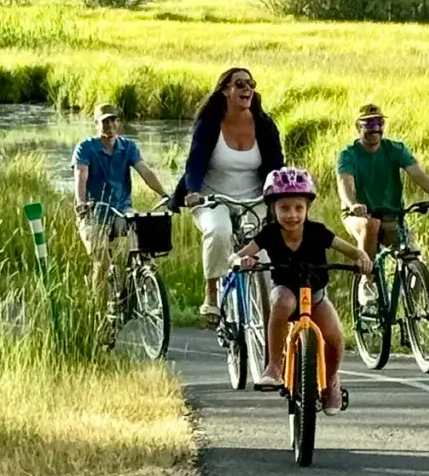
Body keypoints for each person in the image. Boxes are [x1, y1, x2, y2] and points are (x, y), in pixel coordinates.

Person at [231, 167, 372, 416]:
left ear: (307, 208)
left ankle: (330, 381)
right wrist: (243, 261)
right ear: (273, 209)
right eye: (284, 208)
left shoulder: (318, 232)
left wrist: (362, 260)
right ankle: (274, 366)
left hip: (315, 297)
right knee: (282, 303)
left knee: (335, 338)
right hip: (285, 290)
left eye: (298, 208)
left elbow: (352, 251)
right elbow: (239, 256)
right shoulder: (270, 234)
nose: (292, 215)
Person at [170, 67, 285, 326]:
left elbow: (276, 165)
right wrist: (193, 192)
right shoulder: (210, 123)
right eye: (240, 84)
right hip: (212, 198)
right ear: (226, 90)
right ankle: (211, 293)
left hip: (254, 199)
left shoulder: (264, 125)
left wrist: (279, 194)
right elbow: (196, 161)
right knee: (219, 231)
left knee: (265, 255)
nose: (247, 89)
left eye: (250, 84)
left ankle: (267, 313)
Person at [336, 103, 429, 305]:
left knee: (414, 258)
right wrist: (353, 204)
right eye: (369, 124)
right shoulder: (349, 154)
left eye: (379, 122)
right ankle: (367, 280)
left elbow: (416, 173)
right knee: (371, 225)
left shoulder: (395, 149)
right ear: (358, 127)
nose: (375, 128)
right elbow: (345, 183)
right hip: (359, 216)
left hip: (392, 215)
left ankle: (411, 311)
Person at [72, 103, 170, 314]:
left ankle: (139, 277)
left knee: (142, 230)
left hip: (120, 208)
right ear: (96, 123)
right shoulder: (86, 147)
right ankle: (101, 311)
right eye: (104, 121)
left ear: (119, 122)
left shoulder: (128, 147)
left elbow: (144, 171)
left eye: (113, 120)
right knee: (102, 259)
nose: (109, 125)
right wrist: (81, 203)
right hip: (93, 212)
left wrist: (164, 194)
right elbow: (81, 175)